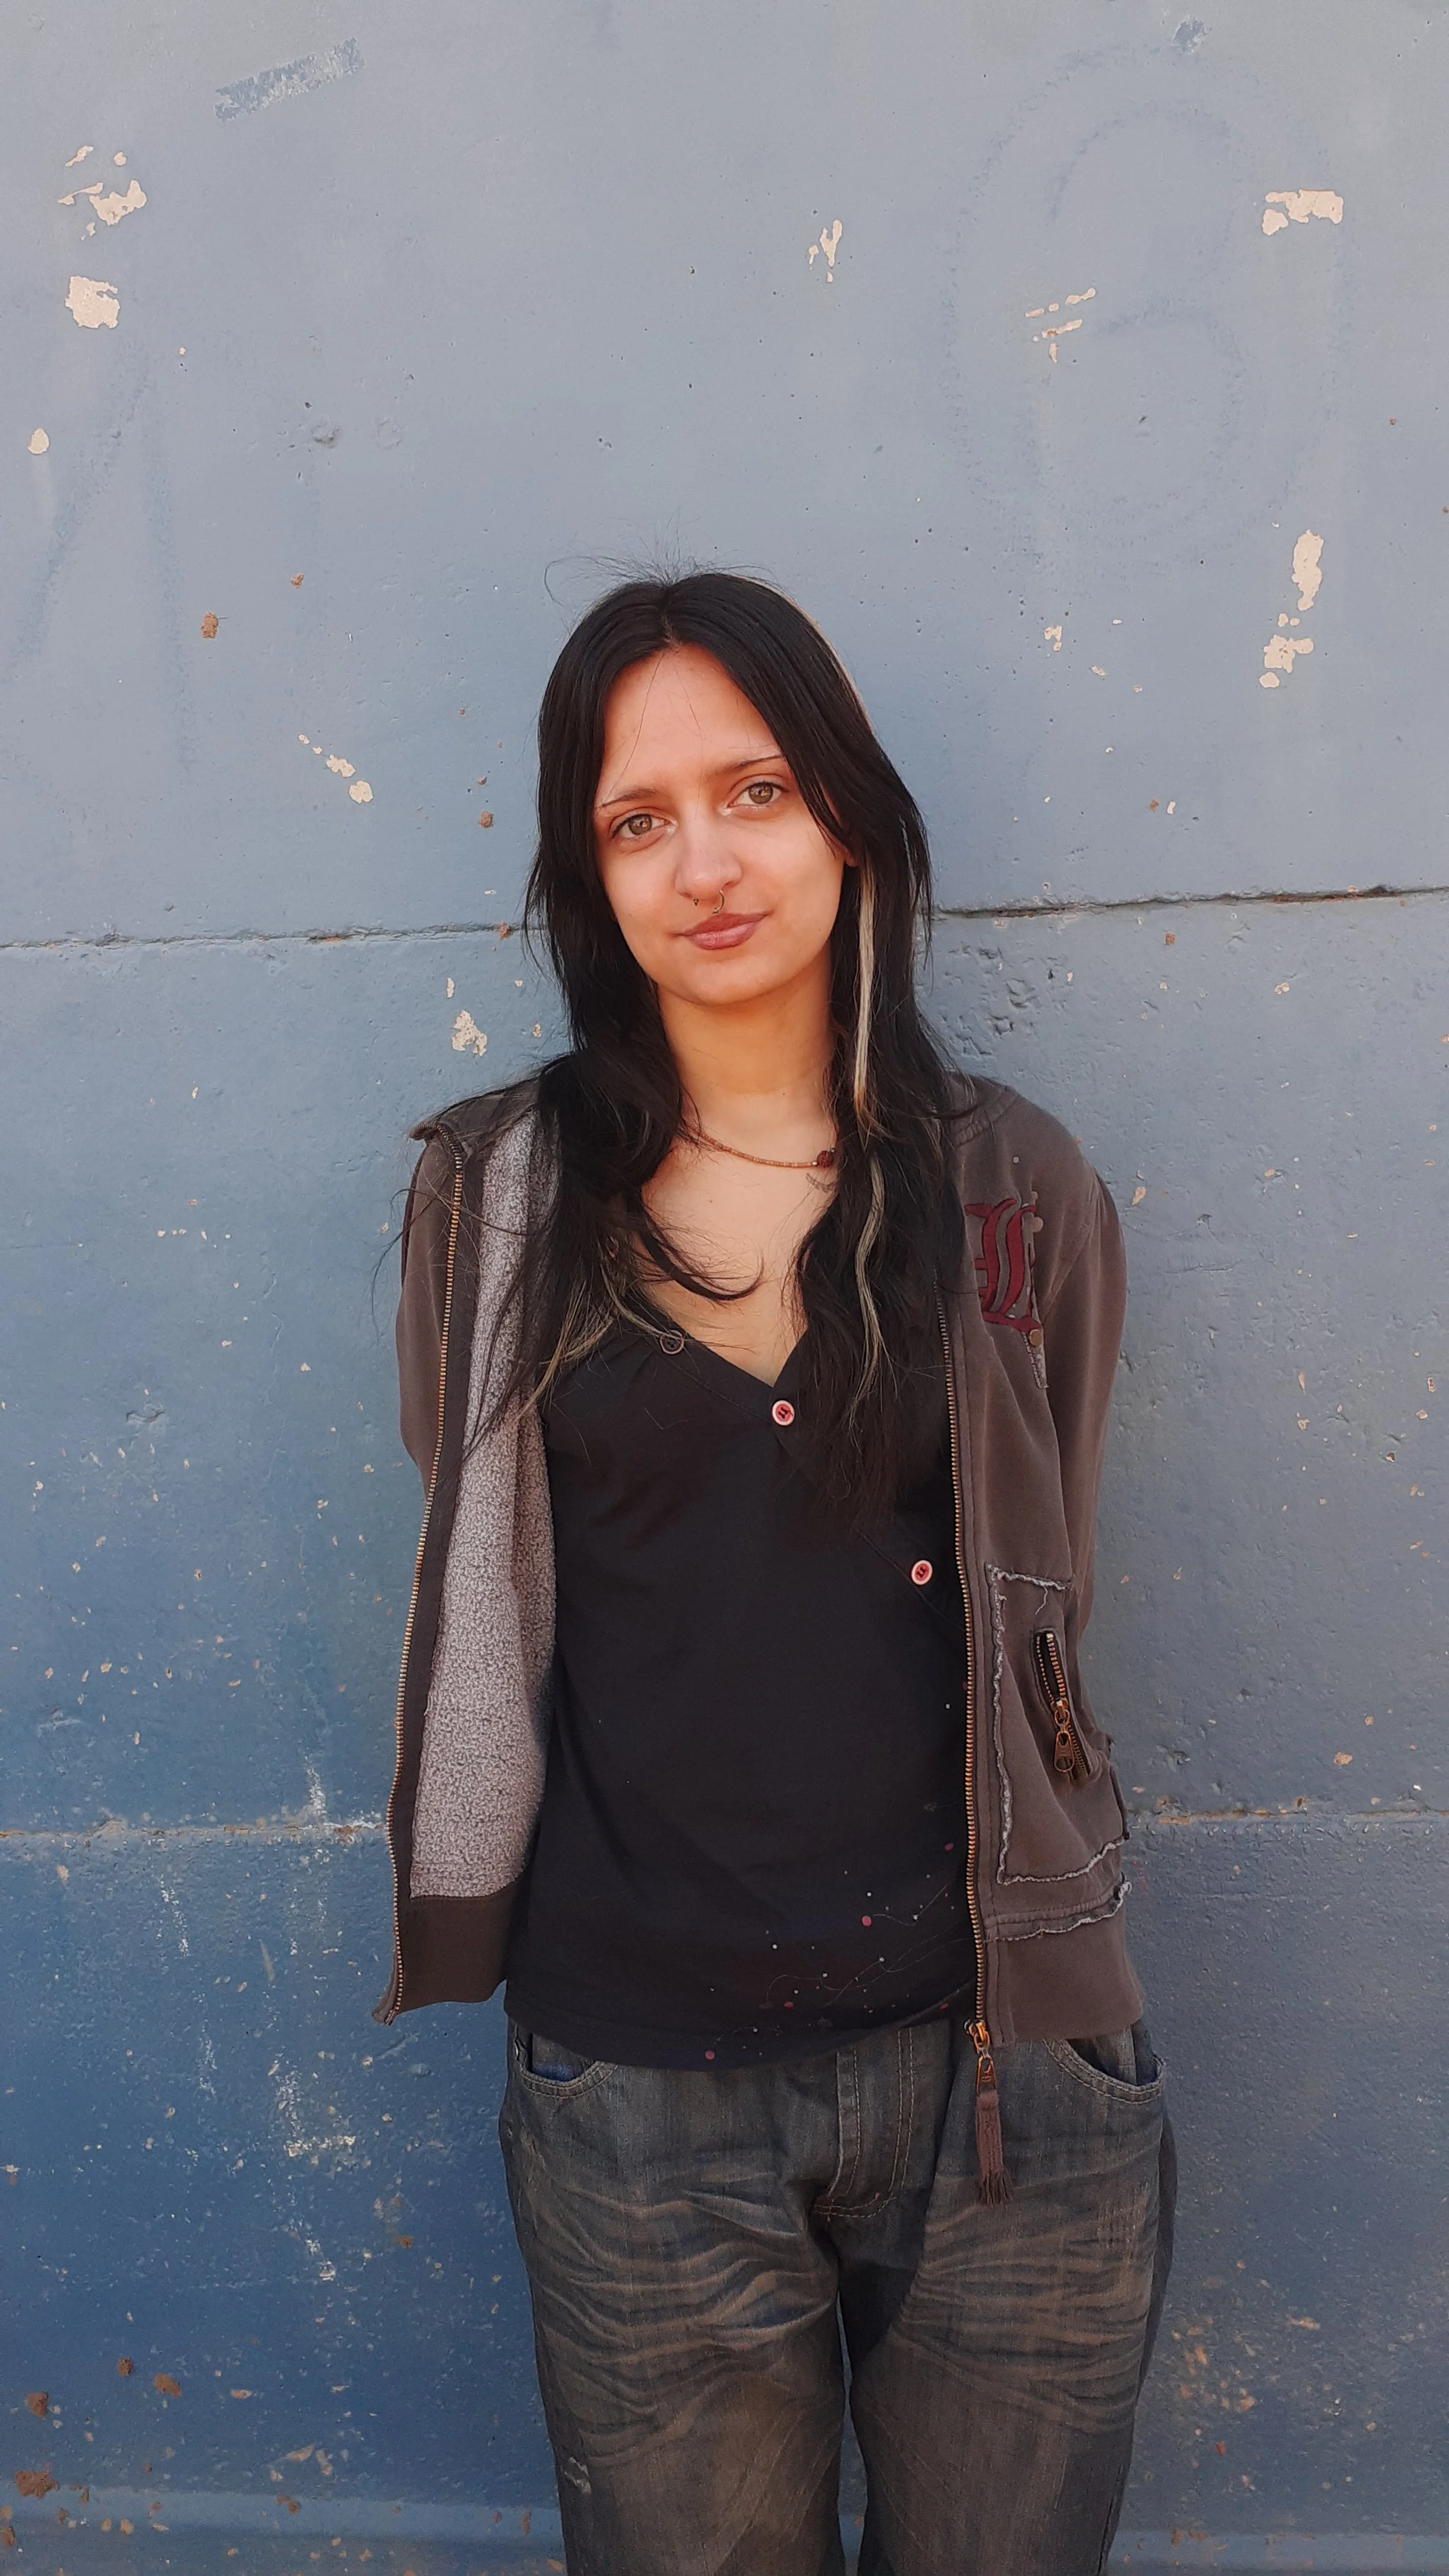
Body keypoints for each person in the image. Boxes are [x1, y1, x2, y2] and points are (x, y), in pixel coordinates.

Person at [377, 571, 1174, 2576]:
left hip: (1006, 2075)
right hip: (634, 2091)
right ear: (584, 871)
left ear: (849, 817)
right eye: (636, 819)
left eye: (752, 789)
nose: (704, 861)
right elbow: (479, 1564)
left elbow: (1041, 1565)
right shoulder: (496, 1197)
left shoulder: (1012, 1182)